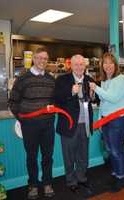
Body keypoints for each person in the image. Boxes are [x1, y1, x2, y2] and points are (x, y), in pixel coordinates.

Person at [8, 48, 55, 199]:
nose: (43, 61)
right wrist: (23, 119)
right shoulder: (23, 78)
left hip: (48, 125)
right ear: (34, 59)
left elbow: (55, 101)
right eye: (40, 58)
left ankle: (47, 183)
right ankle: (33, 185)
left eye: (45, 59)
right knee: (31, 156)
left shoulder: (51, 79)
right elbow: (13, 101)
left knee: (48, 156)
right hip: (30, 126)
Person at [89, 52, 124, 192]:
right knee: (110, 149)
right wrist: (100, 120)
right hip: (106, 120)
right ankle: (115, 173)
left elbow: (112, 98)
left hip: (118, 120)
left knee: (116, 150)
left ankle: (121, 177)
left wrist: (96, 88)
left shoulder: (121, 79)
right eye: (105, 63)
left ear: (115, 65)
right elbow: (104, 103)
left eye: (110, 63)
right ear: (102, 65)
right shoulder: (105, 80)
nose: (107, 66)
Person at [55, 54, 94, 194]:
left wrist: (94, 94)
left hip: (86, 124)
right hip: (69, 125)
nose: (79, 67)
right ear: (70, 66)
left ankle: (82, 178)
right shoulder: (62, 80)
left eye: (81, 64)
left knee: (83, 154)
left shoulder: (89, 80)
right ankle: (71, 181)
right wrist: (70, 91)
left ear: (85, 66)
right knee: (69, 155)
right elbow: (56, 100)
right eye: (76, 64)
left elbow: (94, 101)